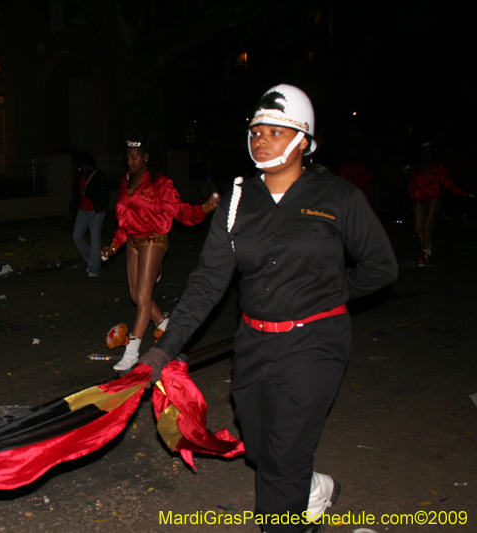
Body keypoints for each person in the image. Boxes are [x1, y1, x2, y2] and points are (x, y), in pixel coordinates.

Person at [138, 85, 398, 533]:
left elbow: (381, 267)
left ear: (303, 140)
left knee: (280, 463)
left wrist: (331, 292)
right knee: (260, 449)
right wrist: (164, 349)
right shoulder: (238, 201)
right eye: (256, 130)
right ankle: (312, 487)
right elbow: (207, 284)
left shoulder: (338, 197)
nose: (261, 139)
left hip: (316, 342)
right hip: (254, 342)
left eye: (275, 131)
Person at [100, 138, 220, 371]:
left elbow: (182, 211)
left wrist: (206, 206)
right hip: (133, 241)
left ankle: (132, 351)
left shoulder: (161, 183)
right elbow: (123, 219)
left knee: (143, 296)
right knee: (136, 295)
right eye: (127, 157)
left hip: (154, 239)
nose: (130, 161)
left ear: (146, 157)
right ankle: (165, 324)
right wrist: (113, 246)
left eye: (134, 157)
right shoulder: (126, 181)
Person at [408, 142, 473, 266]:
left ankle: (424, 253)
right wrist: (412, 197)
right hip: (418, 198)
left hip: (433, 196)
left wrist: (463, 193)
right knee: (417, 228)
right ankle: (427, 245)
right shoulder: (415, 168)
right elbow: (411, 184)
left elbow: (448, 183)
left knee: (427, 225)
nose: (428, 155)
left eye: (430, 152)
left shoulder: (437, 167)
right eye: (426, 152)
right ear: (421, 154)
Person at [67, 151, 109, 277]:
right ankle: (92, 259)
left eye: (83, 165)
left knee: (95, 241)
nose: (81, 167)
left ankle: (93, 268)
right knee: (77, 237)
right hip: (82, 210)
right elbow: (76, 195)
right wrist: (71, 210)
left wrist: (87, 192)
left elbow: (103, 195)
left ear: (89, 164)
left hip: (96, 211)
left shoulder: (99, 176)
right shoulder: (80, 176)